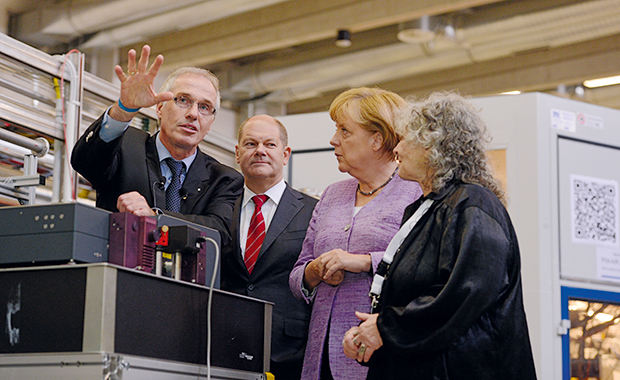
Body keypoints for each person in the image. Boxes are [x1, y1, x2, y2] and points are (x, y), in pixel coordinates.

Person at [342, 92, 537, 380]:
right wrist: (370, 335)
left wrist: (385, 329)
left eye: (407, 139)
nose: (398, 149)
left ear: (434, 146)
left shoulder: (474, 205)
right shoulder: (428, 209)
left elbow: (462, 294)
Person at [289, 87, 423, 380]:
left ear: (377, 139)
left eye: (345, 131)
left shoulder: (415, 194)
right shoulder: (332, 195)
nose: (333, 140)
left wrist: (363, 262)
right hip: (320, 356)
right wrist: (315, 271)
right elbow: (298, 274)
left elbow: (422, 268)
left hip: (379, 355)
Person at [71, 45, 243, 245]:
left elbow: (218, 230)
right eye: (183, 100)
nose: (193, 114)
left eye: (204, 107)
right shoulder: (125, 145)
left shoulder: (224, 179)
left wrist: (155, 217)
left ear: (211, 123)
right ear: (160, 108)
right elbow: (85, 162)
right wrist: (123, 110)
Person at [221, 115, 317, 379]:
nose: (260, 151)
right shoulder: (220, 207)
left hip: (289, 354)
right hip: (224, 348)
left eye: (269, 144)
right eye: (251, 144)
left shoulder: (314, 211)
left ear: (285, 154)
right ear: (238, 154)